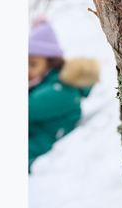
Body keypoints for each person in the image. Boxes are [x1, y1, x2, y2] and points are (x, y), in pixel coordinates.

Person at [28, 17, 100, 172]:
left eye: (33, 64)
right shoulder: (43, 85)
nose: (27, 70)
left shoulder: (61, 91)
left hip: (35, 150)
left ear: (51, 62)